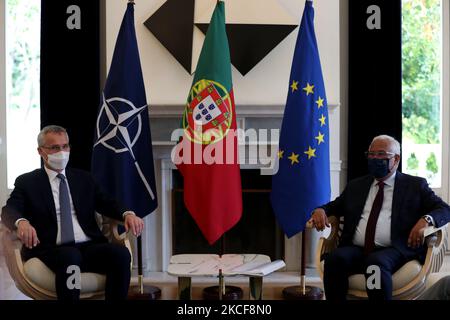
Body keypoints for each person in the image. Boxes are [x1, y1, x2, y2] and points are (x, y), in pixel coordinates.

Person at [1, 125, 144, 301]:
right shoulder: (27, 182)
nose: (61, 151)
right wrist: (21, 222)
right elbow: (8, 210)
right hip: (52, 249)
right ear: (40, 151)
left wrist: (127, 214)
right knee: (70, 256)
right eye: (54, 147)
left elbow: (107, 202)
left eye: (65, 146)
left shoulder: (84, 179)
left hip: (88, 246)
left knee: (120, 254)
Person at [309, 135, 450, 300]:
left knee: (375, 264)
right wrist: (319, 210)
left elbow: (444, 209)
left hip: (394, 248)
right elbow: (334, 206)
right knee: (334, 259)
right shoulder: (356, 185)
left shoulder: (415, 186)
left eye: (381, 154)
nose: (375, 159)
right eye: (371, 154)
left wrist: (425, 220)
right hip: (356, 248)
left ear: (396, 159)